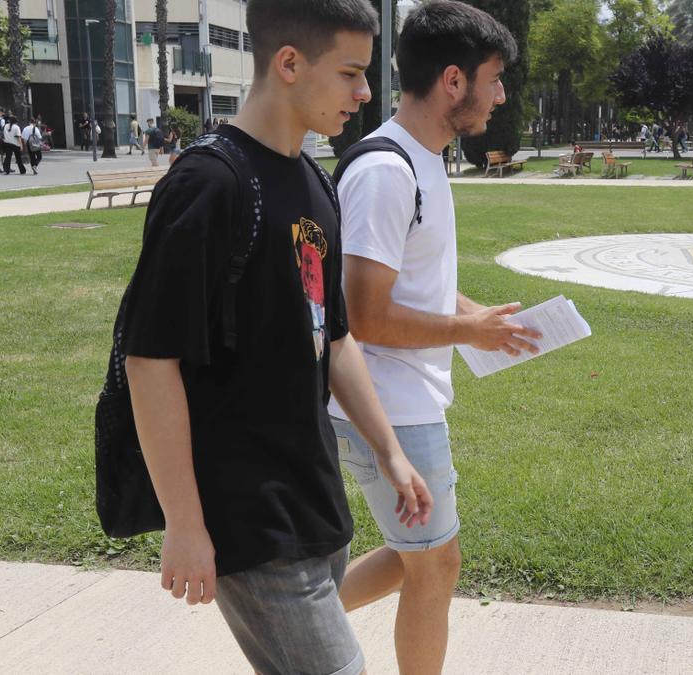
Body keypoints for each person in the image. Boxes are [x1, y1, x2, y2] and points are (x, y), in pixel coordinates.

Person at [120, 1, 433, 674]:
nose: (365, 92)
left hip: (313, 495)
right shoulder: (208, 185)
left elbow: (336, 339)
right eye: (350, 72)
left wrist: (390, 451)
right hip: (248, 512)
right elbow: (150, 360)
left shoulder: (315, 182)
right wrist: (184, 521)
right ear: (289, 63)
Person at [330, 4, 539, 673]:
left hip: (404, 399)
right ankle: (293, 618)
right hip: (386, 407)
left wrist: (480, 320)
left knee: (419, 556)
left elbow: (410, 283)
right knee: (435, 565)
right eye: (494, 79)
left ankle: (296, 616)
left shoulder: (424, 162)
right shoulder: (387, 171)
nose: (500, 94)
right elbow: (364, 313)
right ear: (454, 80)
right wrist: (462, 328)